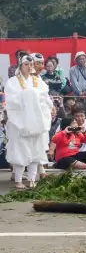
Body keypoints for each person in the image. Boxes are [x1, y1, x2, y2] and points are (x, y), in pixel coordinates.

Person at [5, 55, 54, 189]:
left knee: (35, 151)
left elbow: (45, 97)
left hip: (37, 121)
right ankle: (18, 180)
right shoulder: (13, 82)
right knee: (21, 150)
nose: (29, 67)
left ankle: (32, 179)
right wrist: (29, 95)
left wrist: (50, 106)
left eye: (31, 65)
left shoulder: (38, 81)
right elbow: (11, 100)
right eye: (26, 65)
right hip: (20, 121)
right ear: (20, 66)